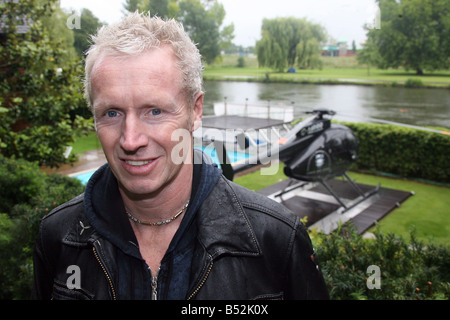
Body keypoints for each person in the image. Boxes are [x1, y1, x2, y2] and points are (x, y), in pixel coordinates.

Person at [32, 12, 329, 300]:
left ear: (195, 110)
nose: (131, 140)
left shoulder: (275, 238)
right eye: (112, 113)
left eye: (155, 111)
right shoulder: (58, 236)